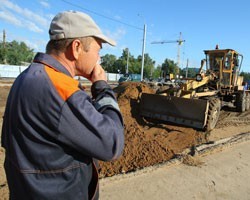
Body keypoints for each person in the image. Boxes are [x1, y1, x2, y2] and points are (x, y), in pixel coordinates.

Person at [1, 10, 124, 200]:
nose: (98, 59)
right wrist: (102, 88)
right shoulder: (61, 89)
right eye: (97, 51)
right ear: (76, 48)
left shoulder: (27, 77)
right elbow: (112, 144)